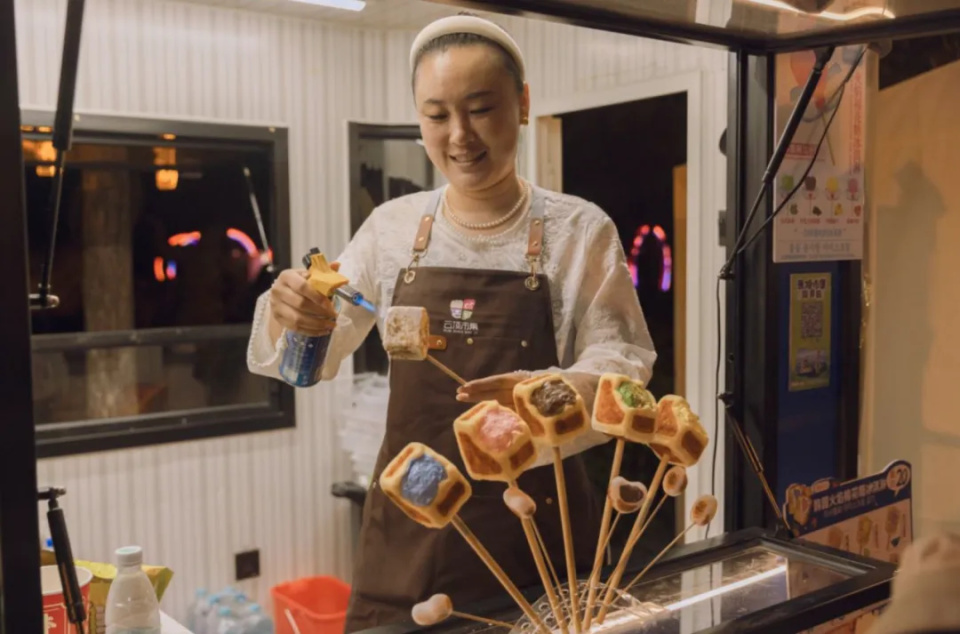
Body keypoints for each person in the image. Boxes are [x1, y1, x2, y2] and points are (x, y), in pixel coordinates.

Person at [247, 13, 656, 632]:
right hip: (408, 528)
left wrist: (540, 394)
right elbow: (310, 359)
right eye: (437, 115)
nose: (459, 136)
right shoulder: (390, 229)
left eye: (481, 109)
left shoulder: (578, 230)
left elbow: (624, 363)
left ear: (522, 104)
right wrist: (294, 314)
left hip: (535, 530)